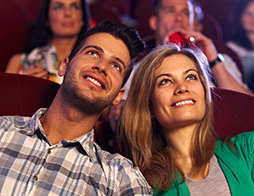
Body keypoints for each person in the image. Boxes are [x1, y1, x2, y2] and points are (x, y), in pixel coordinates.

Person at [0, 20, 152, 195]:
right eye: (93, 53)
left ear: (118, 95)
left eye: (116, 66)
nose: (101, 66)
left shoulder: (121, 177)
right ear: (64, 65)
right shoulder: (3, 130)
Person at [118, 44, 254, 195]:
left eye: (191, 77)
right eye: (165, 81)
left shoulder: (252, 146)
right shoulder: (139, 180)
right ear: (150, 107)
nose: (182, 88)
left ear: (205, 93)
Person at [146, 0, 251, 94]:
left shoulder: (222, 61)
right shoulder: (142, 66)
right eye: (171, 11)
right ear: (154, 22)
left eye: (186, 13)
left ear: (193, 24)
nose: (179, 18)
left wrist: (214, 62)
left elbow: (253, 107)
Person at [5, 0, 90, 84]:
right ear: (47, 18)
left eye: (74, 7)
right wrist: (21, 85)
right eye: (58, 7)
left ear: (83, 19)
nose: (67, 13)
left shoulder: (92, 65)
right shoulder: (18, 62)